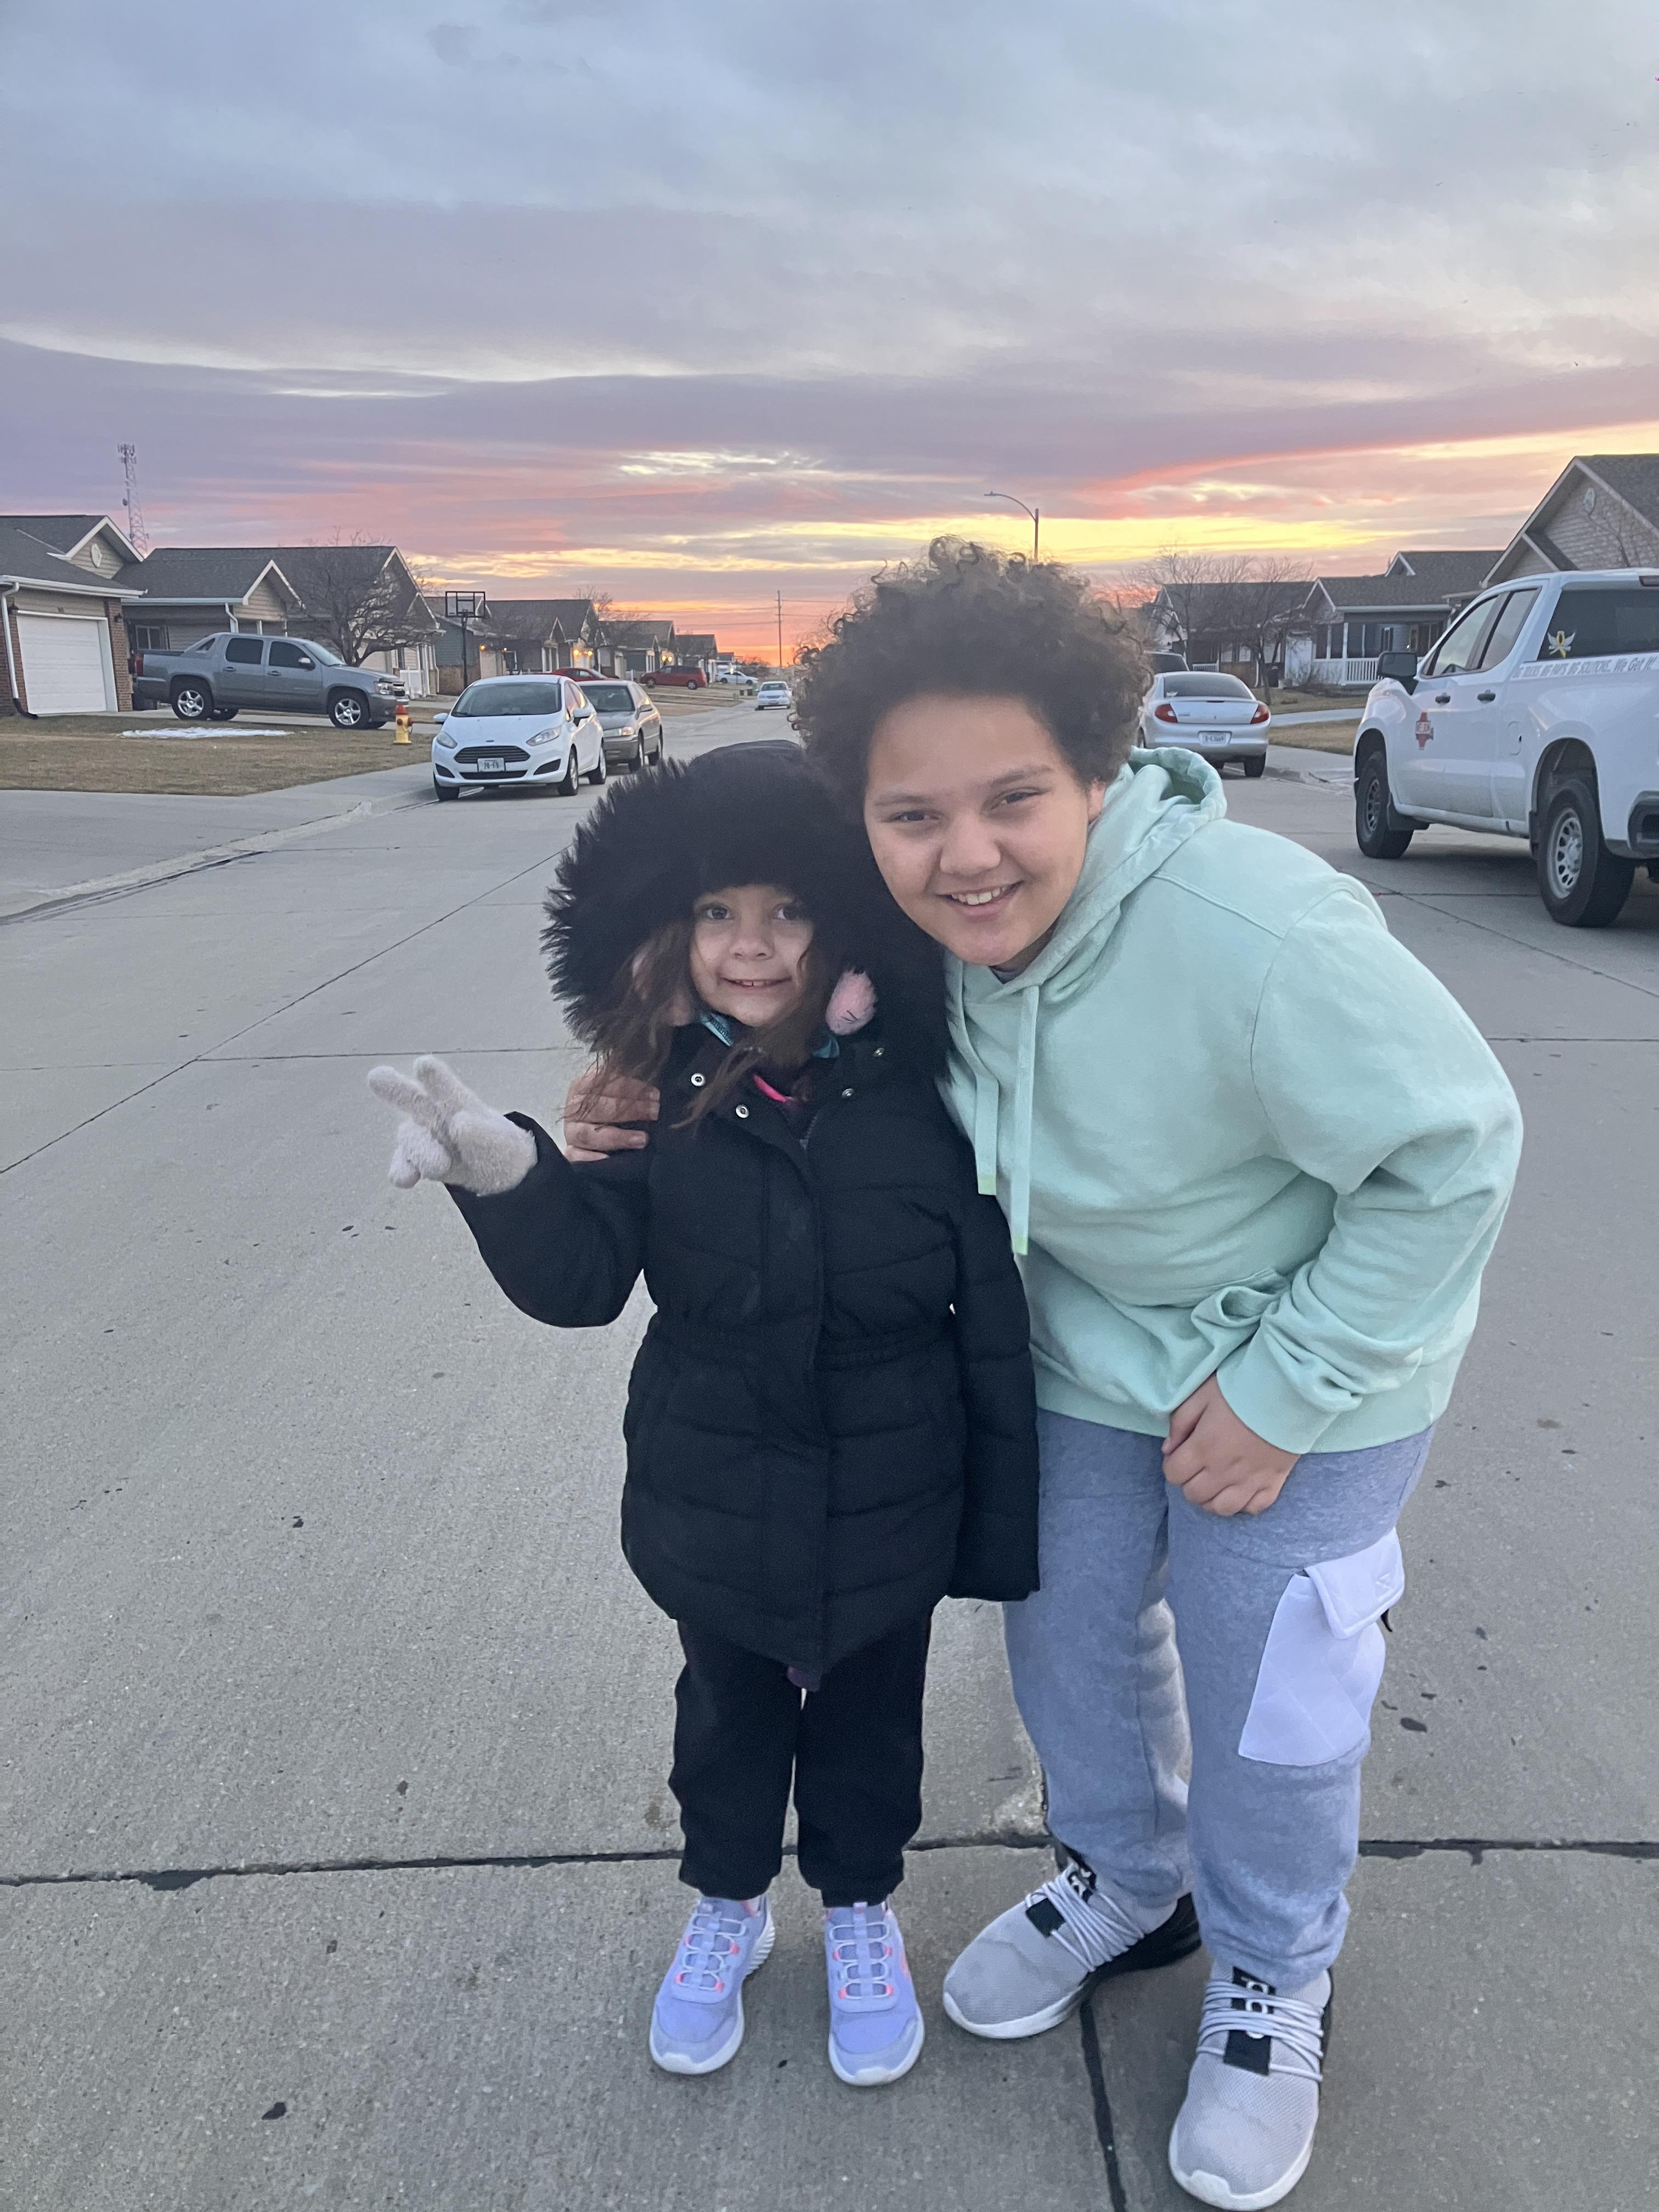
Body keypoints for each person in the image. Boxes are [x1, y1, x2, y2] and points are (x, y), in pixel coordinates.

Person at [567, 545, 1523, 2207]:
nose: (968, 855)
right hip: (1093, 1350)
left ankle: (1270, 1971)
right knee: (1063, 1624)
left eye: (1012, 799)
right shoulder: (925, 947)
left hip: (1320, 1353)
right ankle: (1129, 1878)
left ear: (1097, 765)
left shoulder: (1257, 932)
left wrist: (1289, 1388)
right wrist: (638, 1084)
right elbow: (775, 1029)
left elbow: (1456, 1155)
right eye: (914, 815)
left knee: (1271, 1677)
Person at [369, 742, 1039, 2091]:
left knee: (871, 1720)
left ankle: (861, 1910)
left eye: (788, 911)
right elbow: (584, 1283)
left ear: (846, 924)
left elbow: (990, 1315)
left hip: (892, 1487)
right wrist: (509, 1179)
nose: (751, 945)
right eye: (719, 912)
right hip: (716, 1488)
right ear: (669, 933)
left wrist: (995, 1519)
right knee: (726, 1716)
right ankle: (728, 1902)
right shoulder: (657, 1100)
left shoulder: (927, 1094)